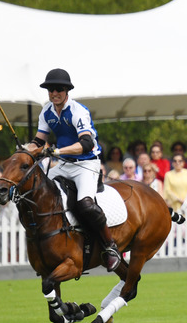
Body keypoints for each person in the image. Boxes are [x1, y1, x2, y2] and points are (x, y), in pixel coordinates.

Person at [32, 68, 121, 271]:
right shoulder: (46, 112)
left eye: (58, 89)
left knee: (86, 204)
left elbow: (87, 143)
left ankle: (110, 246)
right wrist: (25, 150)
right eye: (50, 90)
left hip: (86, 164)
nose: (54, 93)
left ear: (66, 90)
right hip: (63, 164)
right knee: (40, 192)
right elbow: (38, 140)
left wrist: (57, 150)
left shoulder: (78, 111)